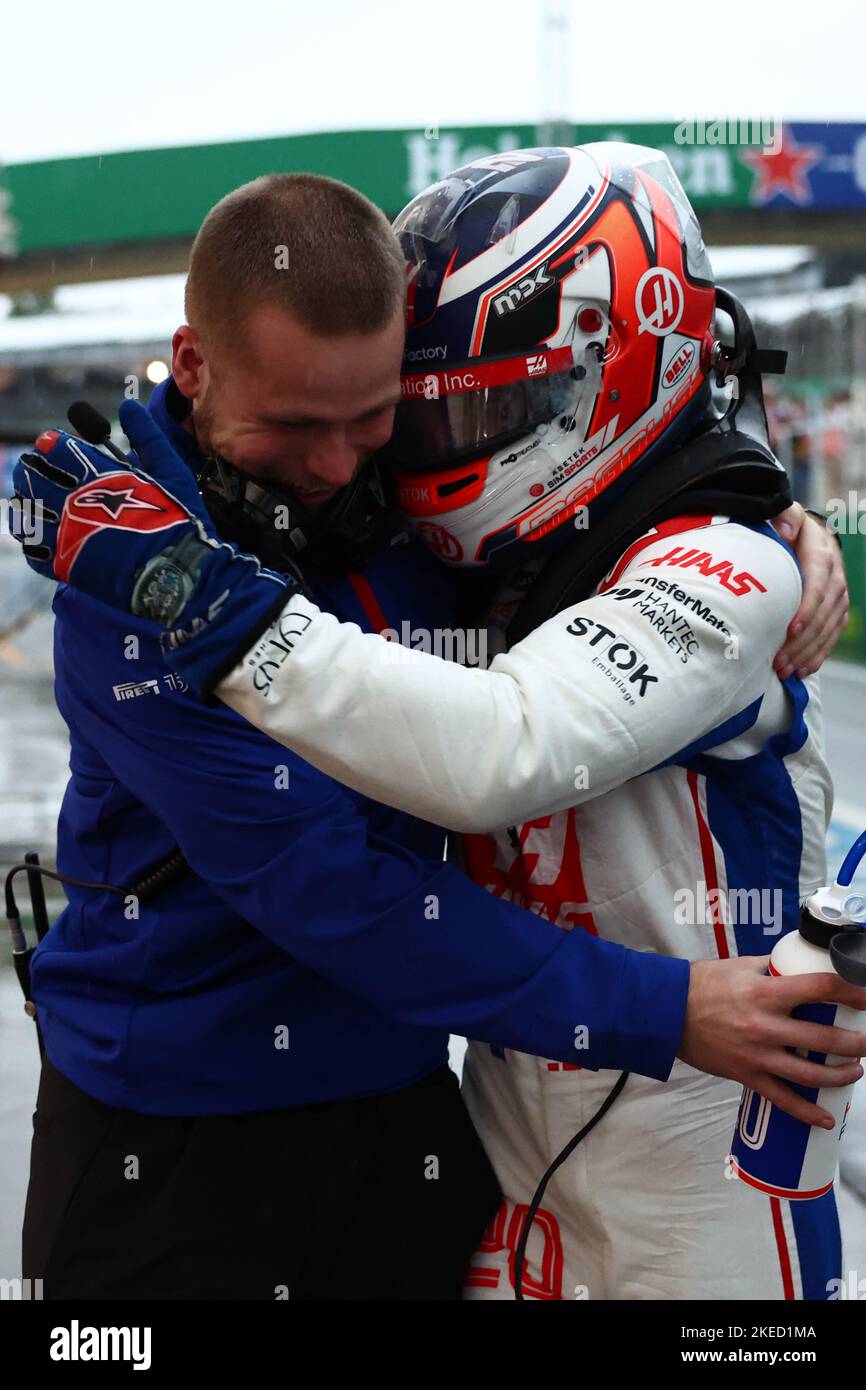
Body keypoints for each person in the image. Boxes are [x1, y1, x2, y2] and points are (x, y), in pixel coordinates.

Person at [12, 158, 864, 1303]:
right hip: (173, 1147)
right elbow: (341, 897)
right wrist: (665, 1011)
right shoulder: (120, 582)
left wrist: (765, 518)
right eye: (292, 425)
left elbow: (600, 573)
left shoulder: (420, 516)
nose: (331, 466)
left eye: (376, 420)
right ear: (197, 363)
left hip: (415, 1122)